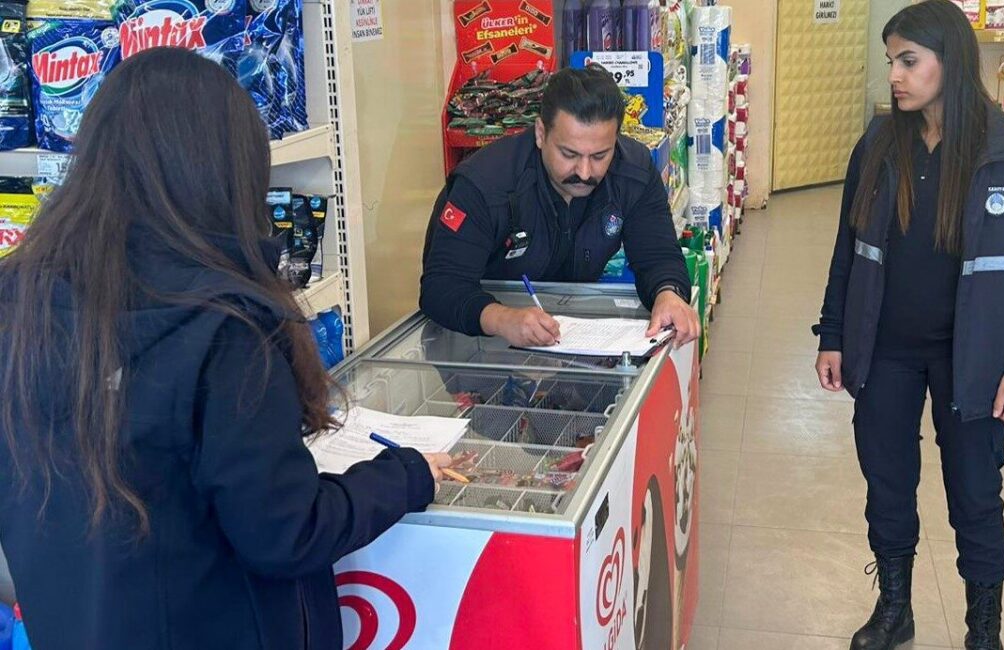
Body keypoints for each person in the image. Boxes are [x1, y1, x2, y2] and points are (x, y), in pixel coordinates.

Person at [0, 48, 451, 650]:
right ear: (229, 170)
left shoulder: (18, 300)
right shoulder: (226, 326)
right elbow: (286, 533)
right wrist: (405, 475)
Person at [812, 2, 1004, 649]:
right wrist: (832, 333)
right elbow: (849, 249)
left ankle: (984, 632)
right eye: (892, 60)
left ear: (948, 60)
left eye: (908, 60)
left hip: (973, 360)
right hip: (885, 351)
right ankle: (896, 609)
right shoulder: (878, 145)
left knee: (976, 497)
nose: (895, 74)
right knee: (888, 485)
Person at [421, 65, 700, 348]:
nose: (584, 171)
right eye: (569, 153)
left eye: (600, 155)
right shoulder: (485, 185)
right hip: (483, 340)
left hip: (575, 343)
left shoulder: (633, 171)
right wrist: (502, 318)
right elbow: (440, 288)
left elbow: (659, 255)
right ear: (541, 133)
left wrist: (669, 294)